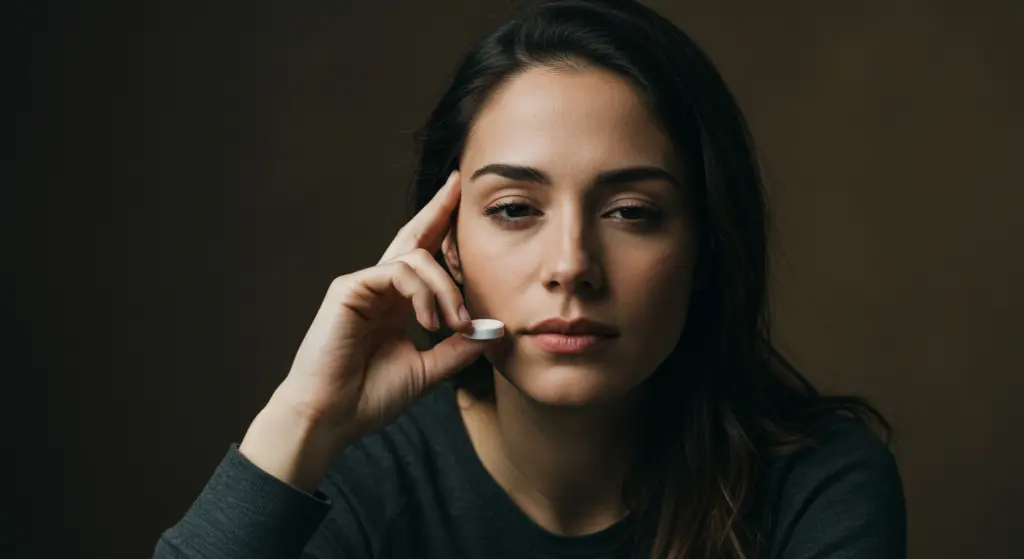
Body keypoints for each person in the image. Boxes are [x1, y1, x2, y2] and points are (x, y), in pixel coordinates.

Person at [153, 1, 906, 558]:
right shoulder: (356, 484)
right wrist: (304, 419)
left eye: (632, 211)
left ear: (707, 244)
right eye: (515, 208)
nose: (571, 265)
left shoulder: (816, 482)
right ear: (446, 245)